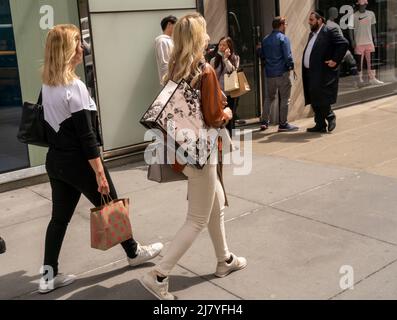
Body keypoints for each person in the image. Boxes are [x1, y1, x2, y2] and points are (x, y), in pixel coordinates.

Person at [39, 24, 163, 294]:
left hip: (57, 163)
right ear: (67, 51)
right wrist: (99, 173)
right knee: (112, 205)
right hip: (81, 163)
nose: (82, 48)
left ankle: (47, 276)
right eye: (77, 44)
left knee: (58, 219)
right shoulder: (75, 86)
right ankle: (133, 253)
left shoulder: (47, 86)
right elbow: (87, 137)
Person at [140, 13, 247, 300]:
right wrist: (227, 111)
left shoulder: (176, 66)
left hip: (181, 150)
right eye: (205, 32)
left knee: (216, 204)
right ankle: (158, 274)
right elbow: (213, 117)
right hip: (203, 152)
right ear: (198, 37)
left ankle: (224, 259)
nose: (210, 36)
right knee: (197, 219)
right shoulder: (206, 71)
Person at [303, 11, 348, 133]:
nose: (309, 22)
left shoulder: (328, 31)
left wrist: (335, 60)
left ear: (319, 20)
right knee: (313, 98)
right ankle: (320, 124)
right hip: (310, 72)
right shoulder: (312, 33)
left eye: (311, 20)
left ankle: (330, 116)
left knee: (321, 98)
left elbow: (343, 44)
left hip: (322, 72)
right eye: (309, 19)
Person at [259, 16, 299, 132]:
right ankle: (283, 124)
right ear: (281, 25)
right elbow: (287, 56)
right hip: (282, 73)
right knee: (285, 99)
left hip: (270, 74)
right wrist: (291, 66)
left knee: (269, 98)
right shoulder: (283, 38)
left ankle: (264, 122)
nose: (286, 26)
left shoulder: (265, 39)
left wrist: (258, 50)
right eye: (285, 24)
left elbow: (262, 54)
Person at [210, 37, 241, 136]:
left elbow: (232, 71)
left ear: (229, 47)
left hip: (231, 93)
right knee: (220, 118)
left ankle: (230, 140)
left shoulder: (235, 58)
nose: (221, 47)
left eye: (224, 45)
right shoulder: (214, 60)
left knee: (230, 118)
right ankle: (222, 140)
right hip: (218, 93)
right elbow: (212, 75)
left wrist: (226, 59)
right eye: (220, 45)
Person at [348, 0, 383, 85]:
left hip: (369, 42)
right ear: (358, 5)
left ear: (366, 5)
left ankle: (372, 78)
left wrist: (375, 38)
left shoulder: (371, 14)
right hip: (358, 43)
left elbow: (373, 27)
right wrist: (352, 40)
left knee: (371, 62)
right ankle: (360, 79)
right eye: (360, 5)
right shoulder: (353, 16)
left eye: (363, 5)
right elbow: (350, 29)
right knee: (359, 62)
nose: (362, 6)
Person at [155, 15, 177, 85]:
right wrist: (169, 81)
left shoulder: (171, 40)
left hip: (175, 79)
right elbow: (164, 63)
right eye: (175, 25)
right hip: (170, 82)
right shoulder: (162, 41)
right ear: (169, 24)